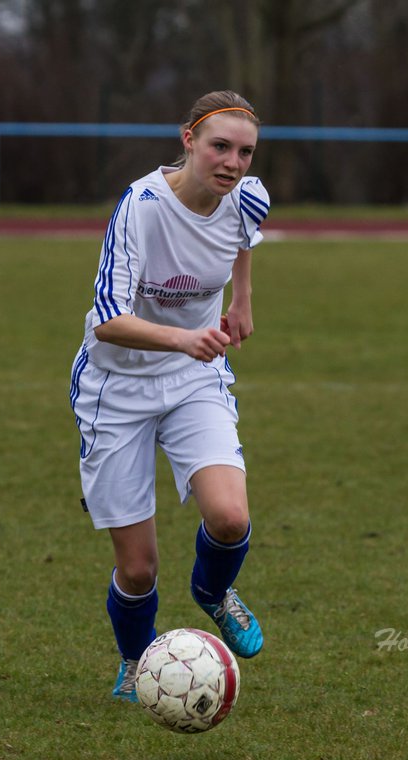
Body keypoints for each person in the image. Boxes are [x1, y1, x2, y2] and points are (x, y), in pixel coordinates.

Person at [68, 90, 270, 701]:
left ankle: (212, 591)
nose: (233, 163)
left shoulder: (249, 198)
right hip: (117, 386)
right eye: (220, 147)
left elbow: (241, 240)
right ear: (188, 140)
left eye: (245, 151)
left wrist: (242, 299)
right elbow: (107, 318)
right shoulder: (142, 206)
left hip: (192, 378)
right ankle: (136, 662)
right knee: (138, 568)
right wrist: (183, 338)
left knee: (230, 517)